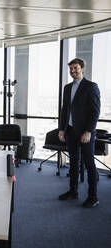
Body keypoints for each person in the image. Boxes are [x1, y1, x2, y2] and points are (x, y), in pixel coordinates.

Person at [58, 58, 101, 208]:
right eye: (70, 69)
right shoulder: (67, 88)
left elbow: (95, 112)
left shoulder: (91, 87)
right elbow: (65, 110)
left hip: (85, 133)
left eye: (75, 68)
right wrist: (62, 129)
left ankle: (93, 196)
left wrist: (89, 131)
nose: (73, 71)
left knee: (89, 164)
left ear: (82, 69)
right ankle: (73, 191)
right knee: (73, 163)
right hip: (70, 131)